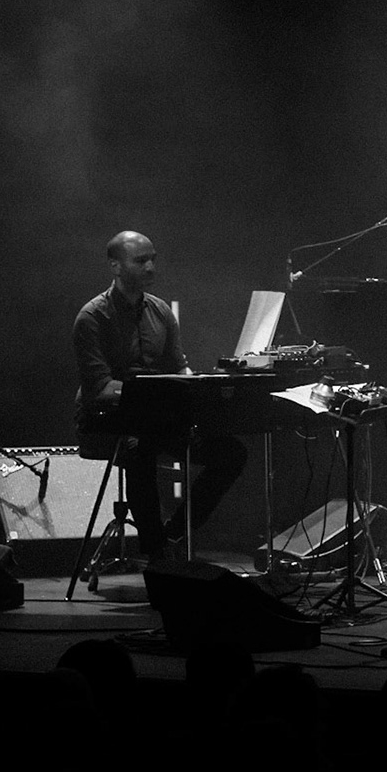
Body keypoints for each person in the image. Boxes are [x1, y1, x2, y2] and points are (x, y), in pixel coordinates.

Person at [73, 231, 247, 563]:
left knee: (231, 453)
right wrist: (156, 397)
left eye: (153, 259)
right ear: (115, 266)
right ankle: (156, 552)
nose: (151, 267)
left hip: (155, 417)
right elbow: (100, 389)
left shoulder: (161, 311)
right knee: (139, 447)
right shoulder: (92, 318)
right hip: (105, 419)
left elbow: (178, 367)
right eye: (141, 261)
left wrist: (197, 388)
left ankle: (174, 533)